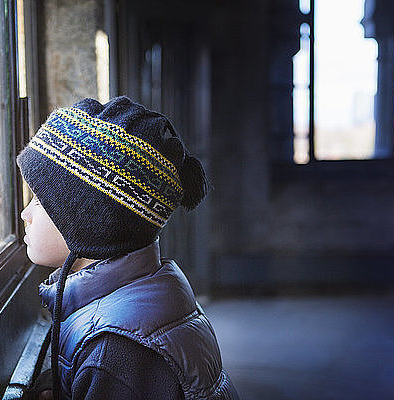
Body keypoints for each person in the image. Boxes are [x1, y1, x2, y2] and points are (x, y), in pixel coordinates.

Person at [17, 96, 239, 400]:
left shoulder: (117, 350)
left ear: (90, 219)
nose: (25, 214)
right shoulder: (152, 291)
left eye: (40, 201)